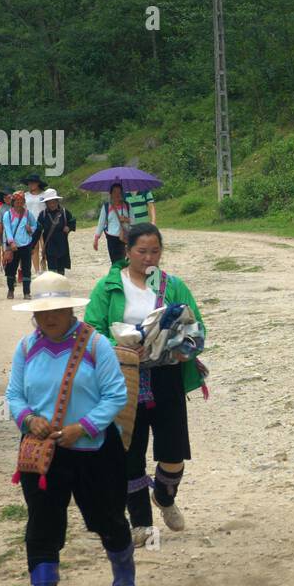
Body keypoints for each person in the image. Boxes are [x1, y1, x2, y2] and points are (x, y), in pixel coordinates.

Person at [5, 272, 134, 586]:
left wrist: (84, 427)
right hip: (43, 453)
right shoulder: (26, 348)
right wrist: (29, 420)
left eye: (57, 310)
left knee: (106, 514)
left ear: (70, 310)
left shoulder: (96, 345)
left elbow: (115, 395)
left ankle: (123, 566)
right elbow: (14, 395)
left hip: (93, 451)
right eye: (43, 311)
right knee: (42, 522)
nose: (50, 317)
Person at [85, 223, 207, 545]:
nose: (149, 258)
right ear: (128, 251)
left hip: (166, 377)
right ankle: (140, 524)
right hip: (124, 378)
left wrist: (185, 349)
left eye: (155, 251)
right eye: (142, 251)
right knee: (130, 453)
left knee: (173, 452)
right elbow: (91, 329)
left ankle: (165, 497)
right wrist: (120, 346)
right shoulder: (109, 287)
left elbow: (197, 327)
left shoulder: (173, 286)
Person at [1, 191, 38, 301]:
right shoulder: (8, 215)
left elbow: (35, 225)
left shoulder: (27, 213)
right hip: (13, 246)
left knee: (26, 269)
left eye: (21, 201)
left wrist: (31, 229)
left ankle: (26, 292)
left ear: (24, 202)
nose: (19, 203)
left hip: (26, 245)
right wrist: (11, 242)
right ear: (13, 202)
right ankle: (10, 290)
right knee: (11, 269)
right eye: (17, 201)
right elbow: (7, 229)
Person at [36, 189, 76, 277]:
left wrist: (68, 227)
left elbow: (72, 221)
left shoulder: (65, 212)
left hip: (62, 244)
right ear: (46, 203)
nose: (52, 204)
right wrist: (32, 245)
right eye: (49, 202)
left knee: (61, 270)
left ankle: (60, 288)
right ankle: (53, 288)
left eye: (54, 202)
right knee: (52, 270)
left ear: (57, 201)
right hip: (49, 245)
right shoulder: (43, 215)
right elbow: (38, 230)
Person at [93, 183, 134, 265]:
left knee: (126, 263)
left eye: (119, 192)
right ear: (110, 194)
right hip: (112, 239)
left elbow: (133, 221)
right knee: (115, 263)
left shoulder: (127, 206)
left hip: (125, 238)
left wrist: (125, 219)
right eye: (115, 192)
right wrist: (96, 239)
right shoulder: (106, 207)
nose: (117, 195)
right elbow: (101, 224)